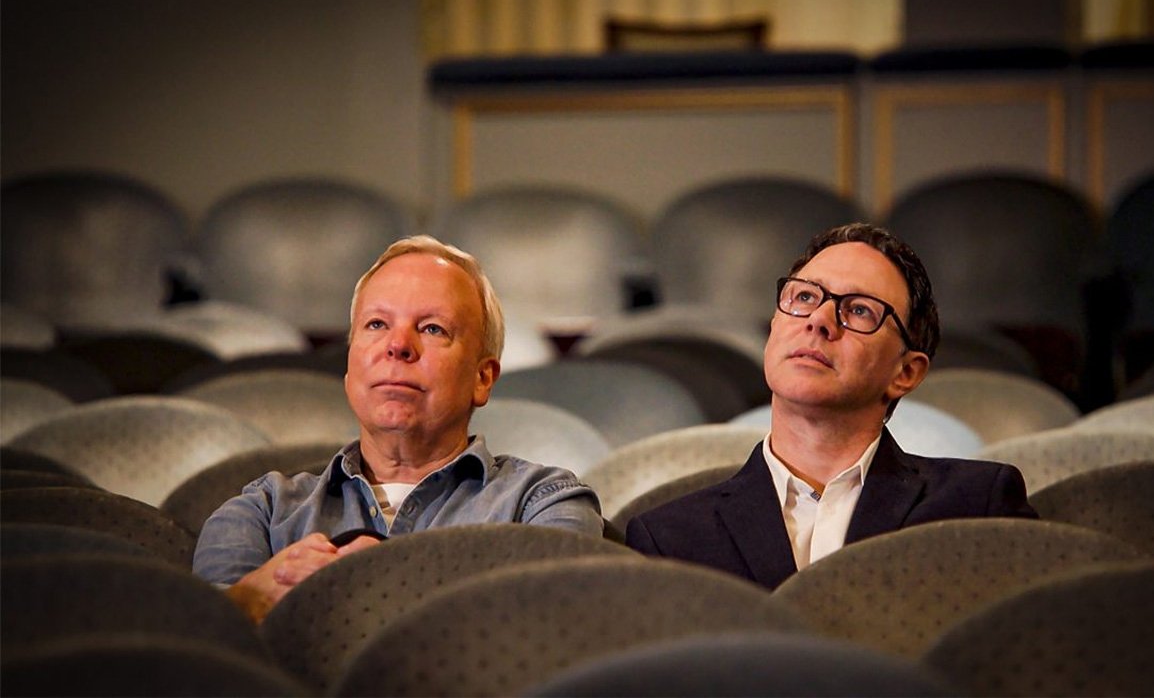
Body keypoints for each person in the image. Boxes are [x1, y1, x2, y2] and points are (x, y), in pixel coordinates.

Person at [194, 235, 603, 622]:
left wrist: (378, 584)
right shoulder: (261, 512)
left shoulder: (543, 504)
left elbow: (550, 634)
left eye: (432, 328)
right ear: (350, 366)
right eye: (376, 324)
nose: (398, 345)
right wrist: (246, 603)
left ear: (482, 378)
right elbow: (199, 652)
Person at [625, 223, 1037, 589]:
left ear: (906, 372)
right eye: (804, 296)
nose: (819, 320)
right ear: (774, 328)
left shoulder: (977, 504)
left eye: (858, 310)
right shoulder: (668, 537)